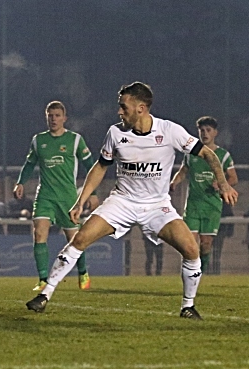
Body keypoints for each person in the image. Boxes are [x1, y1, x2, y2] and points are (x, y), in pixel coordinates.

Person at [25, 82, 238, 320]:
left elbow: (208, 154)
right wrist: (80, 201)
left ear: (141, 108)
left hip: (157, 206)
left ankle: (187, 306)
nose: (119, 112)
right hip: (122, 202)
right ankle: (45, 295)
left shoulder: (169, 131)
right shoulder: (116, 133)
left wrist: (224, 183)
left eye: (123, 107)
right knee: (81, 238)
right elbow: (100, 167)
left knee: (191, 249)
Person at [13, 101, 99, 290]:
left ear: (64, 118)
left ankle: (83, 272)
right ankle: (43, 279)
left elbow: (91, 166)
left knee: (75, 239)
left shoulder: (75, 140)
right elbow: (29, 164)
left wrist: (92, 193)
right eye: (50, 115)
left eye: (57, 115)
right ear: (46, 117)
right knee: (39, 233)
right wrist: (20, 182)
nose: (53, 119)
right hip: (45, 196)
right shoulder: (38, 140)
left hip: (68, 197)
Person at [170, 116, 237, 274]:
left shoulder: (223, 155)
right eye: (202, 130)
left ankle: (202, 271)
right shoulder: (191, 154)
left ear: (215, 133)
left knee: (206, 244)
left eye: (208, 130)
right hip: (193, 205)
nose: (204, 133)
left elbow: (233, 178)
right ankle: (190, 274)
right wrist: (174, 182)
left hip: (212, 206)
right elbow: (182, 172)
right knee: (190, 245)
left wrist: (222, 183)